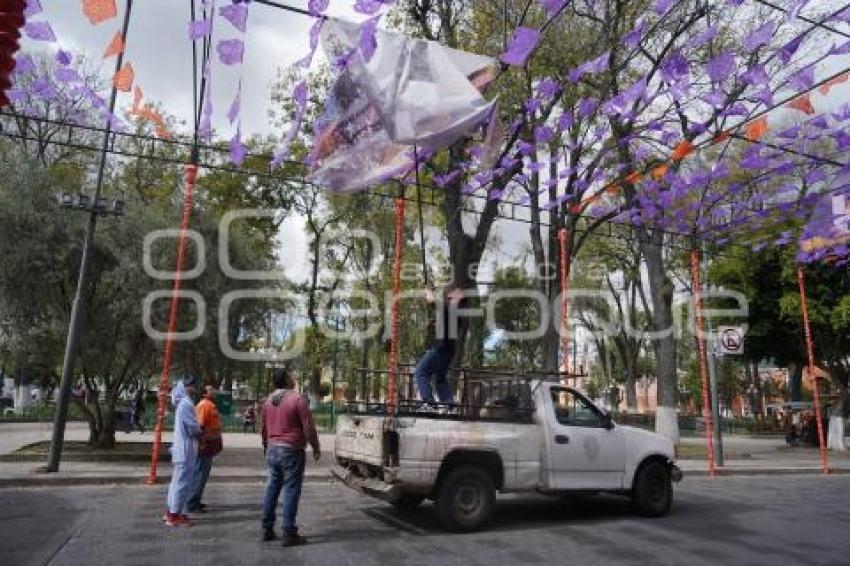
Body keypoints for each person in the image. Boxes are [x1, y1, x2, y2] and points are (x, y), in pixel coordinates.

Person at [261, 369, 321, 546]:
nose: (293, 379)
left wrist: (266, 446)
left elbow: (263, 428)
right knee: (291, 490)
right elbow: (308, 427)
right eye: (290, 377)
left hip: (273, 449)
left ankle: (267, 528)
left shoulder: (268, 401)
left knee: (272, 488)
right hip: (292, 450)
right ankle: (288, 532)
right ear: (286, 380)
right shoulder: (297, 399)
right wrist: (316, 446)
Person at [414, 286, 464, 408]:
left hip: (440, 349)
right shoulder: (458, 315)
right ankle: (449, 403)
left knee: (421, 371)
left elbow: (433, 301)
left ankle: (429, 401)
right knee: (440, 378)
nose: (450, 297)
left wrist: (427, 291)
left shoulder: (450, 310)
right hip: (450, 351)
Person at [163, 376, 201, 527]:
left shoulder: (182, 403)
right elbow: (192, 426)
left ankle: (172, 511)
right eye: (192, 385)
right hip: (185, 450)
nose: (194, 387)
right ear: (187, 386)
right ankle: (174, 515)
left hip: (181, 449)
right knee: (182, 483)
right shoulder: (186, 404)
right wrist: (200, 431)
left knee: (177, 482)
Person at [188, 385, 223, 513]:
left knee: (203, 474)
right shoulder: (204, 405)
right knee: (200, 473)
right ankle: (192, 503)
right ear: (204, 393)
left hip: (209, 444)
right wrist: (202, 443)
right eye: (211, 389)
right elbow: (200, 426)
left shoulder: (209, 404)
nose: (214, 391)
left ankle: (196, 500)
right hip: (205, 444)